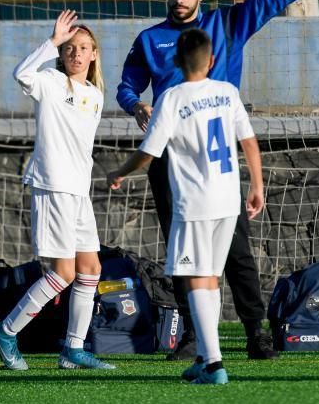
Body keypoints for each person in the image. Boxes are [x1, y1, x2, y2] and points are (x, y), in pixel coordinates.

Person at [117, 0, 319, 360]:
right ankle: (193, 336)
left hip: (216, 161)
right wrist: (136, 105)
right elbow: (126, 85)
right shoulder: (150, 40)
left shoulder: (228, 24)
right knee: (182, 254)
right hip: (171, 159)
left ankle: (255, 332)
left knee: (236, 251)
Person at [108, 28, 264, 384]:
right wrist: (257, 186)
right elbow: (250, 142)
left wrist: (119, 171)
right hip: (229, 200)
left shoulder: (173, 98)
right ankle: (205, 358)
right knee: (210, 276)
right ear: (211, 61)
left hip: (195, 202)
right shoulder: (227, 92)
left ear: (176, 62)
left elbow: (149, 152)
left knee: (196, 278)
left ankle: (213, 364)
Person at [0, 10, 115, 371]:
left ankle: (73, 348)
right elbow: (21, 74)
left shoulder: (95, 95)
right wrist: (51, 41)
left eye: (83, 47)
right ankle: (5, 331)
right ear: (62, 54)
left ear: (94, 54)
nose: (76, 53)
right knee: (63, 274)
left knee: (91, 268)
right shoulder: (50, 83)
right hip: (53, 186)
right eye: (70, 47)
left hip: (79, 193)